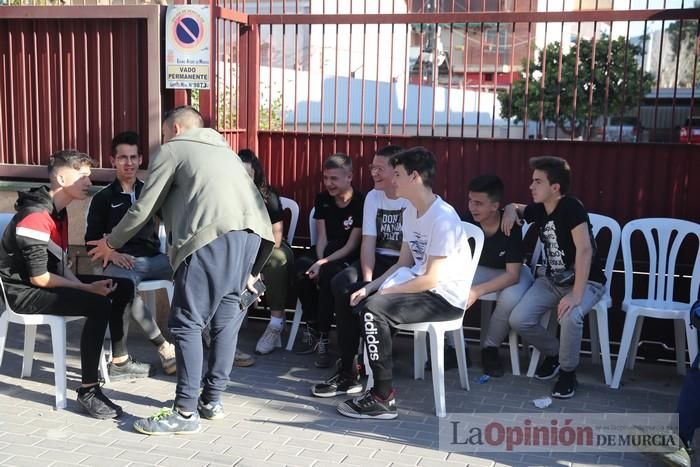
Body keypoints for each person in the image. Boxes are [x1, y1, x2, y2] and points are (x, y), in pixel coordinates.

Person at [87, 106, 274, 435]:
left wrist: (111, 244)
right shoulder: (225, 153)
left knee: (186, 323)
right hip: (252, 239)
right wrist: (255, 266)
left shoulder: (173, 149)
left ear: (174, 128)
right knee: (225, 320)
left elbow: (144, 206)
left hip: (211, 239)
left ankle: (185, 412)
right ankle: (211, 400)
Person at [317, 146, 473, 420]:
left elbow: (432, 279)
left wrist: (385, 292)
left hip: (444, 298)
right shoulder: (412, 212)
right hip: (422, 287)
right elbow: (403, 264)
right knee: (367, 299)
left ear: (414, 177)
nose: (393, 180)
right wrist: (370, 286)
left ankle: (382, 397)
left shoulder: (443, 217)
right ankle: (362, 380)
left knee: (374, 308)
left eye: (397, 174)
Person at [0, 150, 150, 419]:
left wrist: (82, 283)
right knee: (98, 304)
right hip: (24, 291)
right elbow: (39, 278)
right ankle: (88, 390)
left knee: (123, 287)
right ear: (60, 177)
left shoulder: (60, 210)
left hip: (46, 282)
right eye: (82, 176)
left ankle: (120, 361)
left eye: (89, 176)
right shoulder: (35, 215)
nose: (88, 182)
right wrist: (85, 289)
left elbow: (60, 266)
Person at [502, 156, 605, 399]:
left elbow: (585, 249)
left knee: (571, 316)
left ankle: (568, 372)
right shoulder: (540, 209)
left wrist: (577, 295)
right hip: (551, 281)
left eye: (537, 182)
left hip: (587, 281)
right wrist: (508, 210)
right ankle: (557, 354)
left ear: (555, 187)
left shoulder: (571, 207)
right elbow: (517, 207)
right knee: (519, 318)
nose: (531, 186)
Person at [312, 145, 408, 395]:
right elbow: (368, 243)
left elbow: (408, 259)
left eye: (380, 168)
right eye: (372, 168)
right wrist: (365, 281)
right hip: (375, 261)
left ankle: (375, 370)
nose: (374, 173)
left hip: (404, 267)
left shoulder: (410, 199)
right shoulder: (373, 198)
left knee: (376, 297)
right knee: (342, 283)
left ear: (397, 172)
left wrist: (371, 289)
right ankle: (348, 368)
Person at [85, 131, 176, 377]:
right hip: (123, 262)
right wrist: (112, 255)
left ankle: (204, 338)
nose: (129, 163)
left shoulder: (150, 192)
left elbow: (172, 222)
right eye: (123, 158)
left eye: (133, 157)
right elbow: (90, 242)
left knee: (192, 269)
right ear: (113, 160)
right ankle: (159, 349)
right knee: (121, 288)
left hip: (155, 260)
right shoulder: (103, 198)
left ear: (140, 159)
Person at [293, 153, 364, 368]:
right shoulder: (322, 199)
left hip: (346, 255)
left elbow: (352, 245)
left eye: (334, 178)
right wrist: (320, 259)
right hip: (325, 251)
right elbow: (321, 236)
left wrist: (323, 265)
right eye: (325, 178)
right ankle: (313, 326)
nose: (329, 183)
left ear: (349, 177)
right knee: (300, 269)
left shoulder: (361, 202)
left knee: (329, 277)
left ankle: (324, 337)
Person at [462, 175, 533, 377]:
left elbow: (513, 275)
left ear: (495, 206)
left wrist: (476, 291)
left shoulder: (510, 224)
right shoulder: (467, 220)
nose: (472, 207)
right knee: (447, 285)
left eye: (479, 203)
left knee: (510, 297)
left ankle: (490, 349)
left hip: (512, 271)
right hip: (480, 269)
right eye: (470, 201)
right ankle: (455, 348)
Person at [236, 149, 294, 355]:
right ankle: (218, 324)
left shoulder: (269, 196)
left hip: (269, 248)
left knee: (277, 261)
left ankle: (276, 324)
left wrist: (256, 265)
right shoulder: (228, 195)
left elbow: (276, 239)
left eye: (248, 175)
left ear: (256, 175)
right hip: (241, 250)